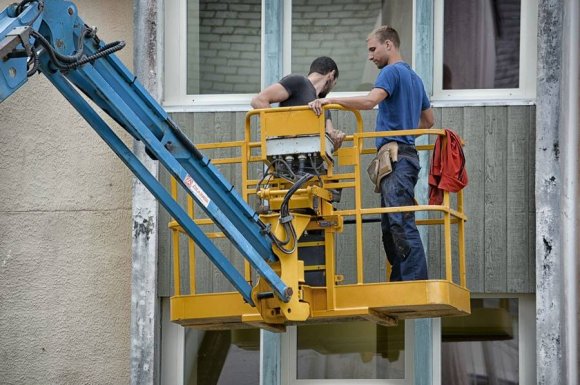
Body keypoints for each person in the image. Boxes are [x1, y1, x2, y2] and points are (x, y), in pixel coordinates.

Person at [308, 26, 434, 281]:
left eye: (373, 49)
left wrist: (331, 101)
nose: (370, 56)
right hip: (404, 156)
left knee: (398, 220)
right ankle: (401, 280)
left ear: (389, 45)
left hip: (397, 158)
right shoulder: (414, 78)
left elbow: (369, 101)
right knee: (391, 223)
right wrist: (404, 135)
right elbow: (429, 121)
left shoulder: (391, 72)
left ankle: (412, 281)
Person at [251, 56, 346, 150]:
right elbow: (258, 100)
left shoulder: (324, 106)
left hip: (314, 163)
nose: (331, 89)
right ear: (331, 75)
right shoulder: (298, 82)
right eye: (334, 83)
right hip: (288, 160)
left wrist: (337, 140)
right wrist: (284, 132)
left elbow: (330, 138)